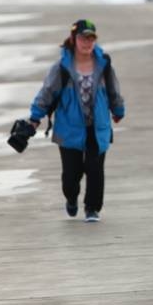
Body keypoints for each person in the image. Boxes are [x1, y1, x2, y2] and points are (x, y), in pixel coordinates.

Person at [29, 18, 125, 222]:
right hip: (69, 127)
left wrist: (118, 109)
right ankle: (71, 198)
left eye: (91, 38)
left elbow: (113, 89)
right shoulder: (62, 67)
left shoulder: (103, 64)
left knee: (95, 169)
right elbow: (47, 93)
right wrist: (35, 117)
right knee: (71, 175)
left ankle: (92, 208)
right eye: (83, 38)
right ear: (74, 39)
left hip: (97, 126)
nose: (87, 42)